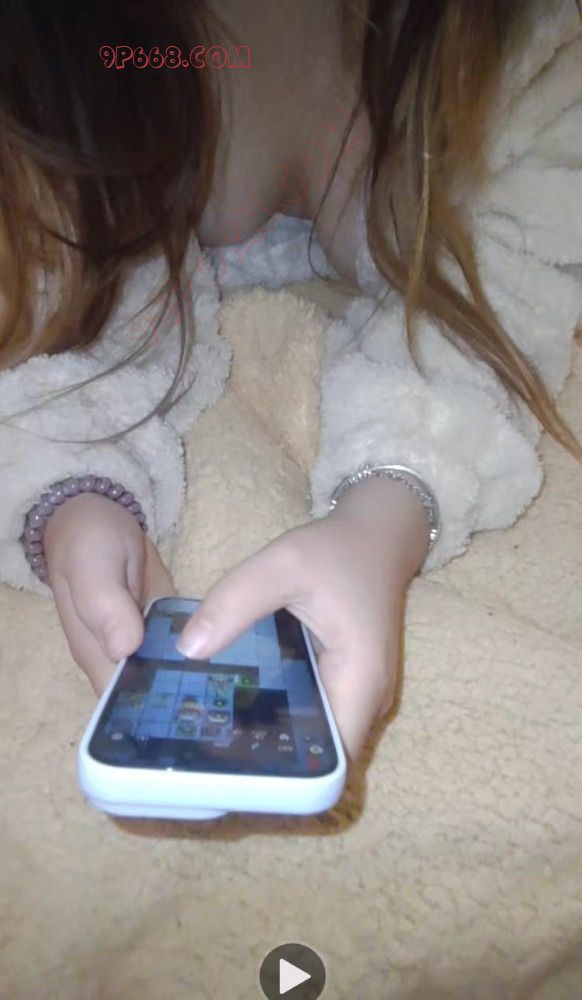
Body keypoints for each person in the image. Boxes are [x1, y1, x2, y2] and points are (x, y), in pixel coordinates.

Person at [0, 0, 581, 761]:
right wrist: (72, 490)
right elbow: (46, 285)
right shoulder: (65, 71)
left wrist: (387, 511)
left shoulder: (529, 70)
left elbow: (504, 288)